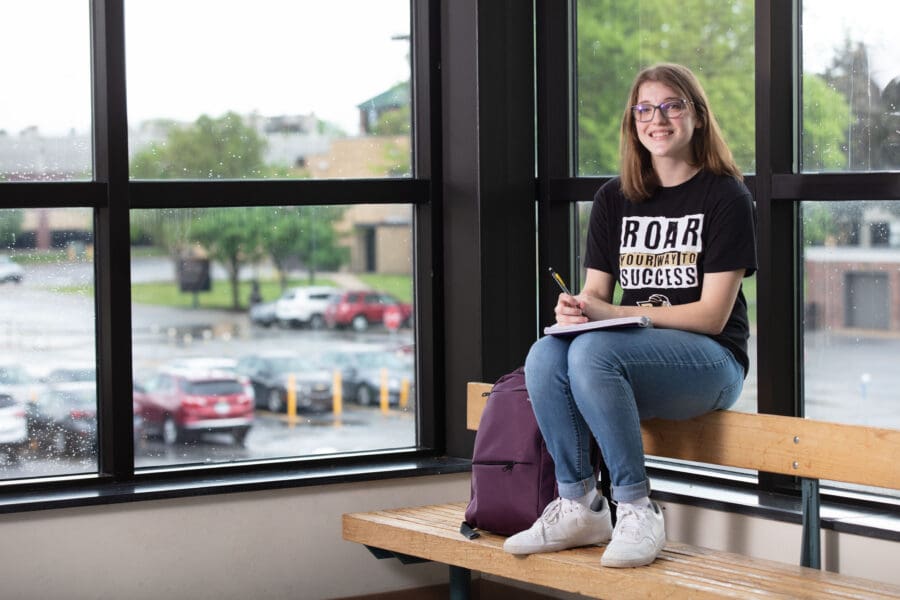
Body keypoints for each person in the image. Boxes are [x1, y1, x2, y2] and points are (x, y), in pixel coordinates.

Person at [503, 63, 757, 568]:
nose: (656, 119)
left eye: (672, 106)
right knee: (545, 354)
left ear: (698, 117)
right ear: (632, 121)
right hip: (623, 361)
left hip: (711, 365)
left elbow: (711, 316)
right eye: (645, 108)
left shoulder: (725, 195)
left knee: (595, 351)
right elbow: (594, 293)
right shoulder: (613, 198)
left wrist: (615, 311)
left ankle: (636, 507)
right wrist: (575, 308)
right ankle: (579, 504)